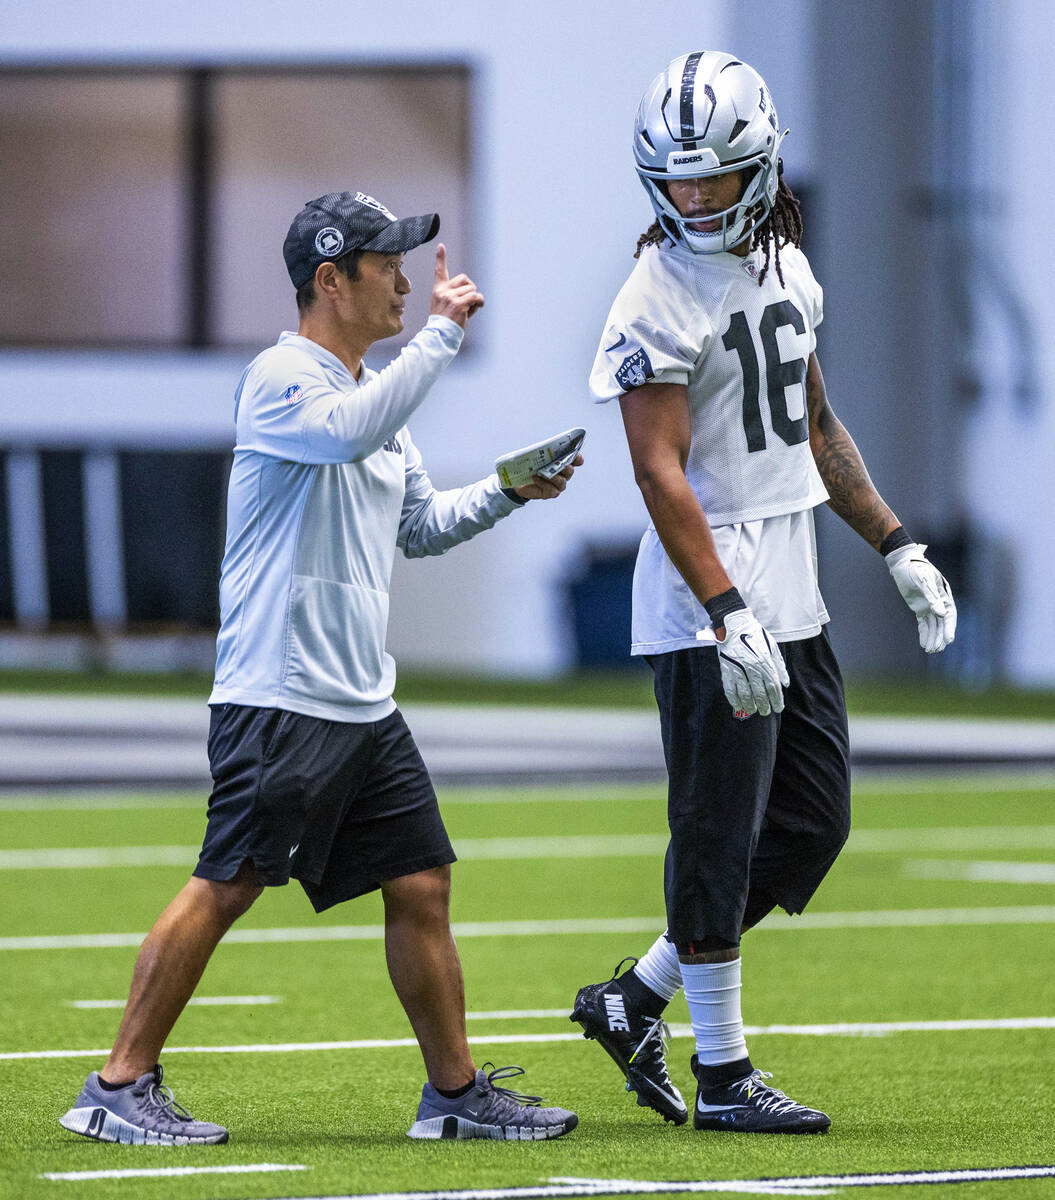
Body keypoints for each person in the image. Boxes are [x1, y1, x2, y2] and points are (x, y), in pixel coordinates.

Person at [60, 190, 580, 1145]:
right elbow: (345, 432)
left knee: (420, 881)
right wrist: (441, 338)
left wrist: (507, 490)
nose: (405, 282)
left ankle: (454, 1096)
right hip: (280, 695)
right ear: (330, 279)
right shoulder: (281, 378)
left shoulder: (378, 400)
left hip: (361, 702)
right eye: (387, 264)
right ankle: (117, 1085)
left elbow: (419, 526)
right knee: (227, 882)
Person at [571, 53, 956, 1134]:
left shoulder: (785, 261)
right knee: (715, 833)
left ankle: (634, 998)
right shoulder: (651, 297)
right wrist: (724, 610)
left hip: (790, 581)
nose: (696, 198)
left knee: (811, 824)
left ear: (762, 165)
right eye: (678, 180)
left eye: (715, 177)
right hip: (710, 596)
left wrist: (893, 543)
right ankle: (723, 1072)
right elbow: (658, 472)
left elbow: (813, 425)